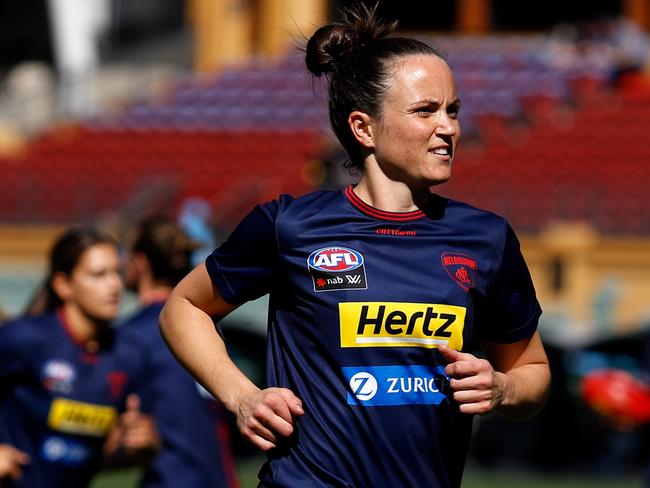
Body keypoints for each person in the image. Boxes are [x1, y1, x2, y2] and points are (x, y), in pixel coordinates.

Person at [159, 4, 551, 487]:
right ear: (363, 127)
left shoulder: (485, 238)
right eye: (425, 111)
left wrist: (503, 387)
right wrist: (241, 396)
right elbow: (184, 307)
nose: (448, 127)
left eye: (453, 111)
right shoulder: (290, 226)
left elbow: (532, 370)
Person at [0, 227, 159, 487]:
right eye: (99, 275)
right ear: (63, 285)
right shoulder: (25, 339)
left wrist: (141, 446)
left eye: (117, 273)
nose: (115, 285)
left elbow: (107, 454)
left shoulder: (128, 355)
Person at [120, 217, 239, 488]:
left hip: (173, 478)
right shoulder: (206, 325)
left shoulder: (135, 334)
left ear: (140, 262)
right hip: (220, 479)